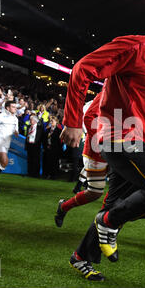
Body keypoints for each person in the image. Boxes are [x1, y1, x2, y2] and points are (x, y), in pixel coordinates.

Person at [59, 0, 145, 281]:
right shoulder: (135, 46)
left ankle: (81, 256)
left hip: (142, 142)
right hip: (116, 137)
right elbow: (82, 69)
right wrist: (73, 121)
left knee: (117, 201)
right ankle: (107, 223)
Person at [55, 92, 109, 227]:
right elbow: (89, 117)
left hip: (120, 148)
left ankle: (105, 226)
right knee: (95, 193)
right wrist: (101, 142)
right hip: (97, 149)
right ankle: (64, 207)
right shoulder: (106, 92)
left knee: (119, 190)